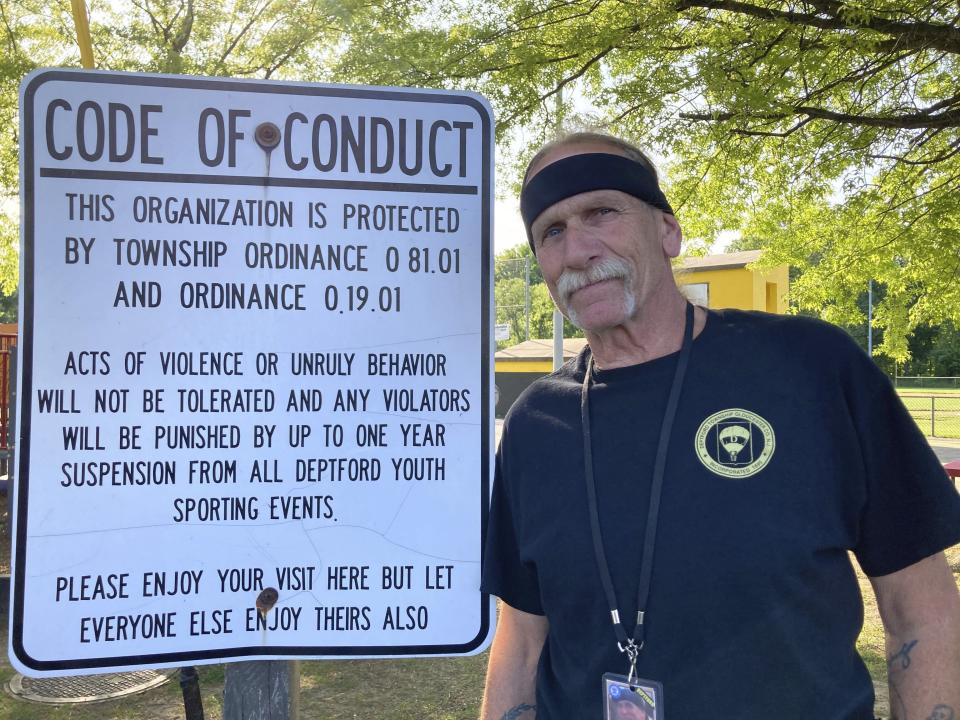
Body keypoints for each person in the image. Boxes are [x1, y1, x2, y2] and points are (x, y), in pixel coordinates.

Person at [479, 132, 960, 719]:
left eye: (601, 212)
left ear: (668, 231)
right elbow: (523, 640)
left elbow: (923, 610)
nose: (577, 249)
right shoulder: (534, 425)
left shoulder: (813, 368)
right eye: (551, 231)